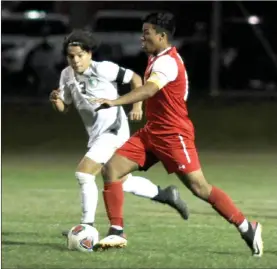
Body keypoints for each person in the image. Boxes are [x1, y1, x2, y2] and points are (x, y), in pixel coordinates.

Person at [91, 13, 263, 257]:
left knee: (200, 188)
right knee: (111, 169)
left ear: (162, 37)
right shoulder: (156, 57)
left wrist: (116, 101)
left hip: (174, 135)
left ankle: (247, 227)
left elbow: (150, 89)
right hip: (153, 132)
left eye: (147, 34)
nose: (142, 38)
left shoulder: (167, 62)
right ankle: (117, 232)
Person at [49, 29, 189, 235]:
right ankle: (165, 195)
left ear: (89, 54)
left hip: (114, 129)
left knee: (84, 173)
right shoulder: (66, 75)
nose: (76, 60)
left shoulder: (103, 69)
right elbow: (64, 107)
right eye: (71, 56)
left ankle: (86, 227)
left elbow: (135, 78)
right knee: (120, 180)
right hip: (96, 134)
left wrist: (137, 107)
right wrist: (56, 101)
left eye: (80, 55)